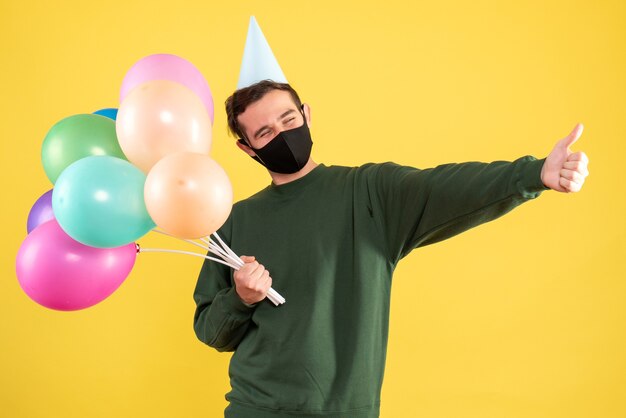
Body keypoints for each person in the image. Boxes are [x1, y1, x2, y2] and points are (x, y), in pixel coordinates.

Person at [192, 79, 589, 418]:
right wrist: (240, 298)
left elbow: (448, 186)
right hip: (254, 409)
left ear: (307, 115)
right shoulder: (231, 221)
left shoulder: (369, 194)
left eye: (289, 120)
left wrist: (534, 173)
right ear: (248, 148)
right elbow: (211, 332)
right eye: (264, 133)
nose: (281, 134)